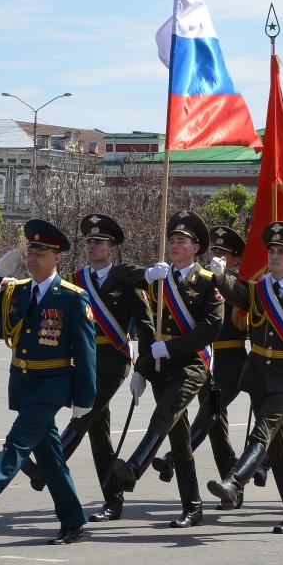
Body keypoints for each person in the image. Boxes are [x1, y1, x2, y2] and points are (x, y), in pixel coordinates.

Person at [0, 219, 97, 545]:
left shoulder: (72, 298)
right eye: (30, 250)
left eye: (42, 251)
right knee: (50, 458)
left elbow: (86, 350)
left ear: (57, 257)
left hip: (53, 383)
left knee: (18, 441)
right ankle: (73, 520)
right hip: (24, 381)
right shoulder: (17, 292)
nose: (34, 257)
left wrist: (85, 397)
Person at [21, 213, 153, 523]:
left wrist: (143, 370)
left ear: (112, 248)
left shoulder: (126, 281)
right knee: (98, 433)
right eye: (89, 241)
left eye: (99, 242)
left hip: (113, 360)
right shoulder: (75, 280)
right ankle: (113, 500)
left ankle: (45, 468)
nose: (92, 247)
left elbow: (146, 327)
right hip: (82, 361)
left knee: (84, 412)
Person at [206, 222, 283, 533]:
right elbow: (238, 295)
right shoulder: (260, 288)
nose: (275, 255)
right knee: (279, 452)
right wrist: (221, 277)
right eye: (272, 250)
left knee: (262, 430)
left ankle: (235, 480)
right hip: (260, 376)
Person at [111, 210, 224, 528]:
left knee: (164, 413)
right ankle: (193, 506)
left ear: (196, 247)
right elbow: (146, 323)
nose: (174, 243)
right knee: (179, 439)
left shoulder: (206, 283)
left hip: (191, 363)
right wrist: (142, 369)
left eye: (182, 240)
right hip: (161, 364)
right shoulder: (159, 279)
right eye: (172, 238)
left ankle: (134, 467)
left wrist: (172, 348)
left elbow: (211, 327)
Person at [152, 225, 251, 502]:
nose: (217, 255)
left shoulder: (236, 283)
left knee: (208, 413)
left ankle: (173, 458)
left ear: (235, 259)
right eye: (215, 250)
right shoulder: (202, 281)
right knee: (217, 428)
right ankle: (233, 488)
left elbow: (243, 307)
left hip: (230, 365)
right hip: (205, 361)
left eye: (224, 252)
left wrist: (223, 277)